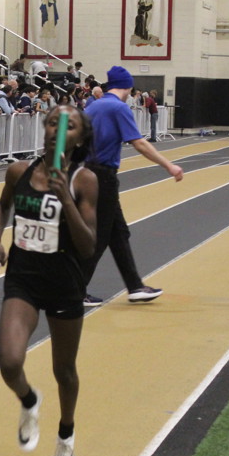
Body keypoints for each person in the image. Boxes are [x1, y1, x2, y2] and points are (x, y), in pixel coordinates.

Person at [0, 105, 98, 456]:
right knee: (9, 363)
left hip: (64, 283)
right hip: (23, 279)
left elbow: (88, 246)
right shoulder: (18, 171)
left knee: (64, 371)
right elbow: (2, 206)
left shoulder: (84, 181)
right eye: (52, 122)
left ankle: (66, 435)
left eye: (67, 126)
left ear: (78, 139)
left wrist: (65, 197)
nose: (56, 130)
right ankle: (28, 399)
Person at [82, 66, 183, 306]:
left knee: (118, 233)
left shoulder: (93, 106)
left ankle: (135, 286)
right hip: (103, 176)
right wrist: (169, 165)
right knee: (101, 235)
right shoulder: (119, 108)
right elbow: (139, 143)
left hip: (88, 172)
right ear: (127, 86)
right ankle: (75, 288)